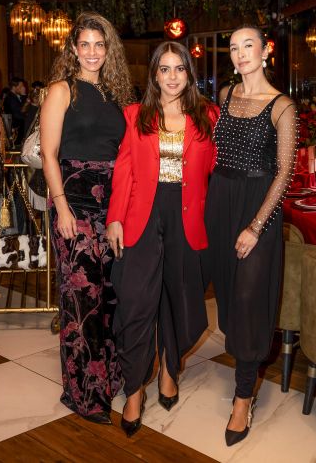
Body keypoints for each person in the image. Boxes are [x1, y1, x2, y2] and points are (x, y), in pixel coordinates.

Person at [106, 41, 219, 437]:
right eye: (164, 69)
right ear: (154, 74)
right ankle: (134, 388)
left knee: (180, 298)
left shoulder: (209, 117)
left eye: (180, 69)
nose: (172, 77)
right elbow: (123, 172)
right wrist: (115, 219)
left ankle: (170, 368)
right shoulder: (134, 115)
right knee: (136, 302)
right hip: (141, 214)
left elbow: (220, 174)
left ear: (189, 73)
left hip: (188, 218)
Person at [202, 24, 298, 447]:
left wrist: (256, 226)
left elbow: (284, 173)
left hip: (257, 206)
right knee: (226, 293)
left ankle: (244, 397)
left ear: (265, 50)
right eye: (234, 48)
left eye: (248, 46)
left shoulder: (282, 106)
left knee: (249, 298)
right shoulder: (225, 96)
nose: (240, 54)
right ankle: (241, 366)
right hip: (219, 200)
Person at [39, 12, 135, 425]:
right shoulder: (62, 91)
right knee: (82, 299)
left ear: (108, 49)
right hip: (74, 204)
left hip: (112, 208)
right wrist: (61, 206)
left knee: (111, 297)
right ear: (74, 49)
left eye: (100, 44)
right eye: (86, 45)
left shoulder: (118, 95)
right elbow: (48, 153)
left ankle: (108, 379)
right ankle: (83, 394)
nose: (93, 52)